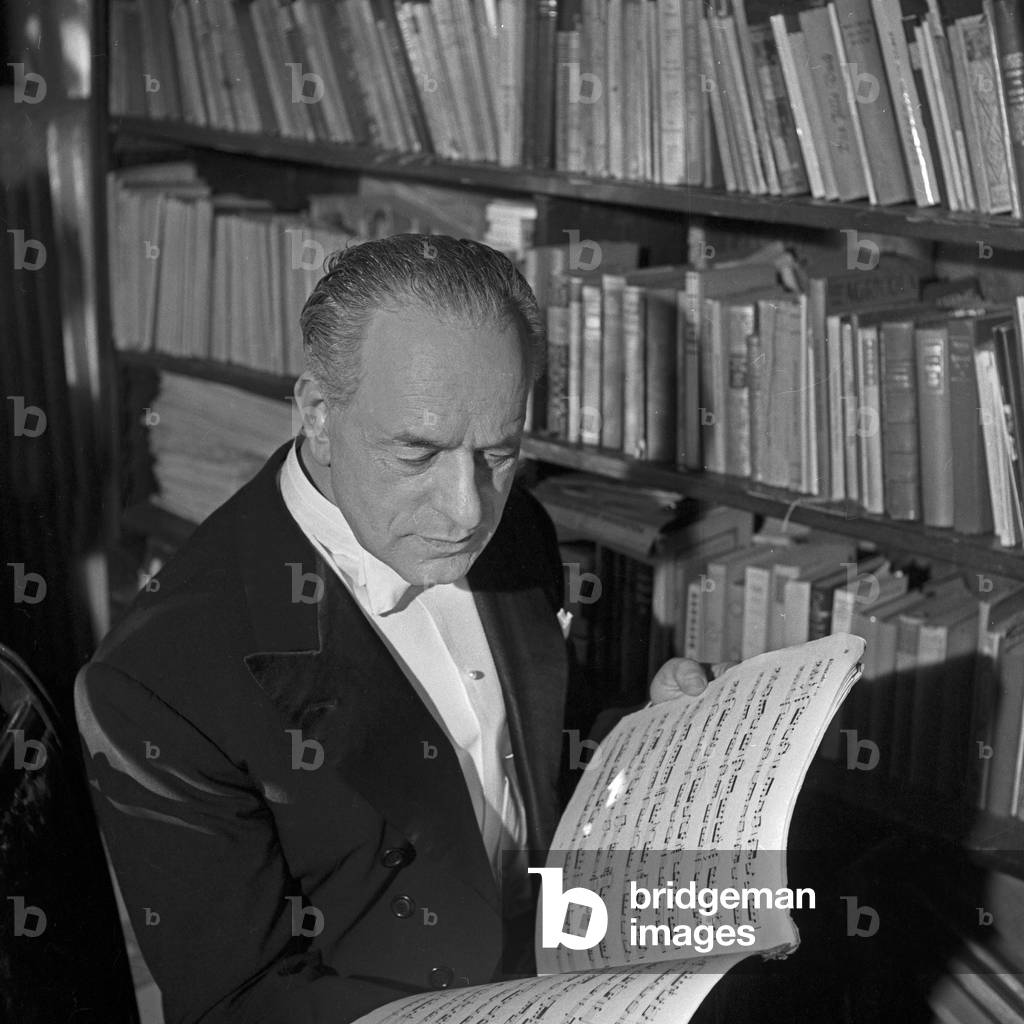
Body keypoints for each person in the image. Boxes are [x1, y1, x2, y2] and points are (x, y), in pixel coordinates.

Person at [75, 235, 715, 1024]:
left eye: (498, 453)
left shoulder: (518, 528)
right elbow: (237, 1001)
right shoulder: (161, 678)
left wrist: (656, 743)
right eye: (418, 453)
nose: (467, 510)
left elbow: (541, 754)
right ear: (317, 412)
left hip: (574, 959)